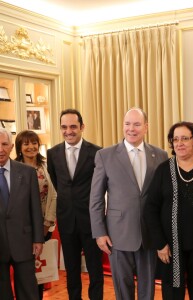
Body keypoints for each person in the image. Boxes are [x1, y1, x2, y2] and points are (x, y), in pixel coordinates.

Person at [89, 107, 168, 300]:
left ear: (146, 127)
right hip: (118, 233)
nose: (131, 129)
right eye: (127, 124)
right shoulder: (105, 155)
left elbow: (165, 198)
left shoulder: (160, 155)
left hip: (150, 233)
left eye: (137, 124)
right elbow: (96, 198)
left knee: (147, 289)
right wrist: (99, 233)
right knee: (122, 289)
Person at [144, 121, 193, 300]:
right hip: (171, 248)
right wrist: (160, 243)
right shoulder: (163, 170)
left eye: (185, 138)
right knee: (172, 294)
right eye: (175, 139)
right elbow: (150, 209)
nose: (179, 143)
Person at [47, 108, 104, 300]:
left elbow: (101, 184)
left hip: (91, 220)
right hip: (66, 220)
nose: (68, 131)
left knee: (95, 269)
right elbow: (58, 184)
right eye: (64, 127)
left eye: (73, 126)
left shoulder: (97, 152)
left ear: (82, 127)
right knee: (71, 270)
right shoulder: (52, 154)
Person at [0, 128, 44, 300]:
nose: (0, 149)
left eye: (4, 144)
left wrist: (38, 239)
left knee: (28, 292)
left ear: (11, 147)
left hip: (24, 242)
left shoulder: (27, 172)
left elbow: (35, 208)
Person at [15, 130, 57, 300]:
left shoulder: (46, 167)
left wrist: (47, 224)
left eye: (34, 143)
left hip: (44, 225)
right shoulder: (14, 168)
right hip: (22, 227)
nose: (31, 147)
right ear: (19, 147)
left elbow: (54, 195)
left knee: (41, 268)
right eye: (26, 144)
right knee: (25, 269)